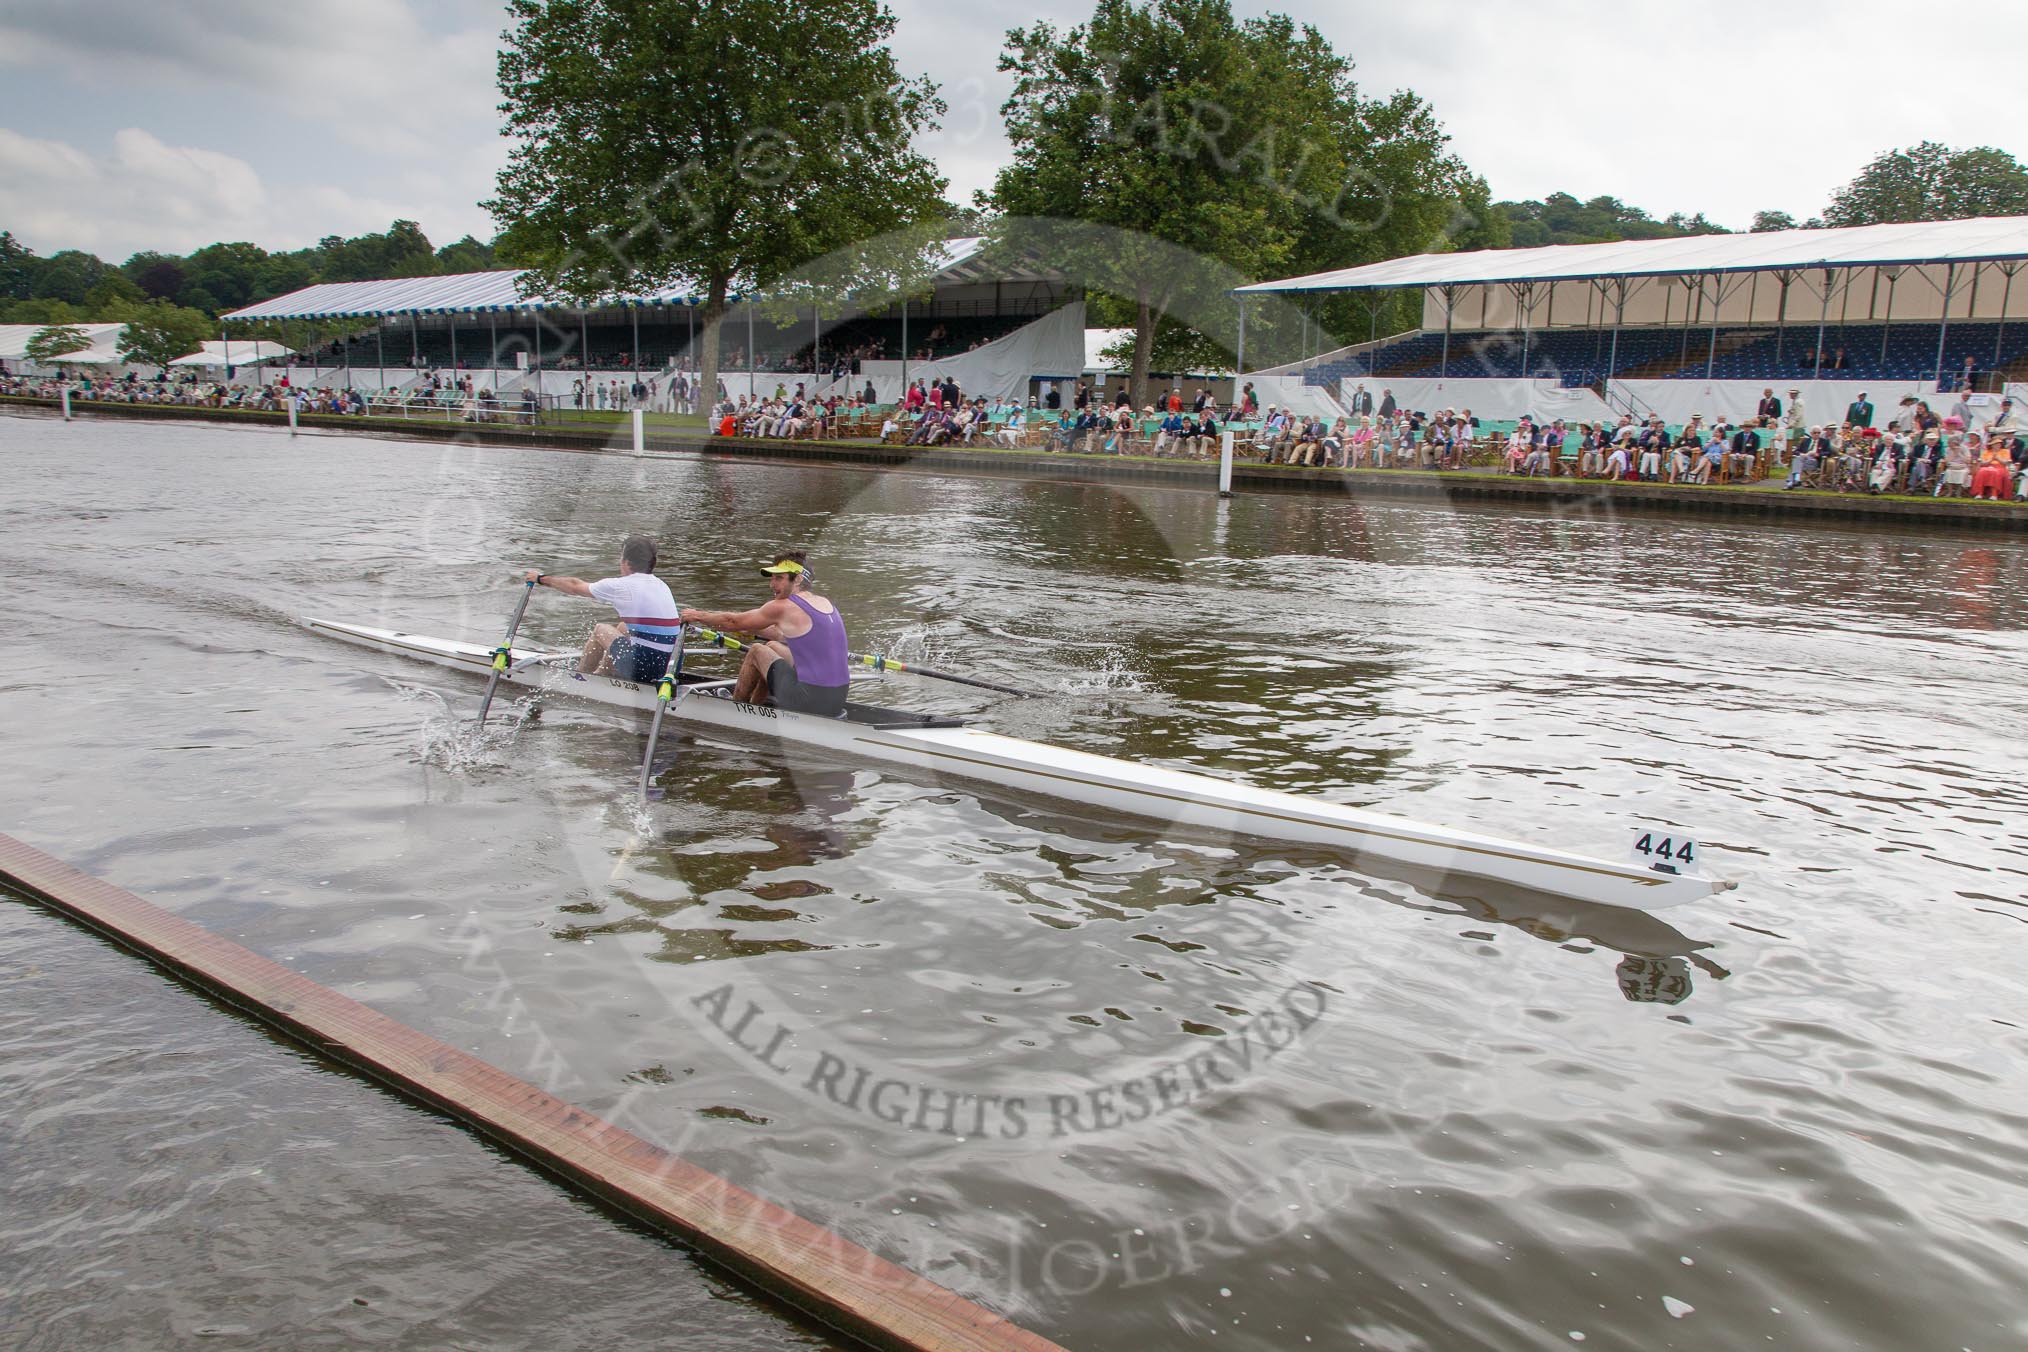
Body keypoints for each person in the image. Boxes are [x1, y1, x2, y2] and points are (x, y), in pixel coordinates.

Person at [681, 553, 848, 716]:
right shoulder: (825, 603)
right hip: (836, 699)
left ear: (797, 579)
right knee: (772, 647)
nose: (772, 584)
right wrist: (752, 628)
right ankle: (755, 707)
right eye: (772, 578)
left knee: (756, 651)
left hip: (809, 701)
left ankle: (735, 710)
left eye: (779, 578)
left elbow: (732, 622)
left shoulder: (783, 606)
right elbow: (780, 635)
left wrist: (697, 615)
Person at [523, 535, 681, 680]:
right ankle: (602, 675)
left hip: (644, 668)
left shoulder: (620, 586)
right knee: (623, 627)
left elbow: (574, 586)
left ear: (626, 562)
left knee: (600, 630)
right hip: (671, 667)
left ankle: (581, 678)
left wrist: (540, 579)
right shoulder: (661, 585)